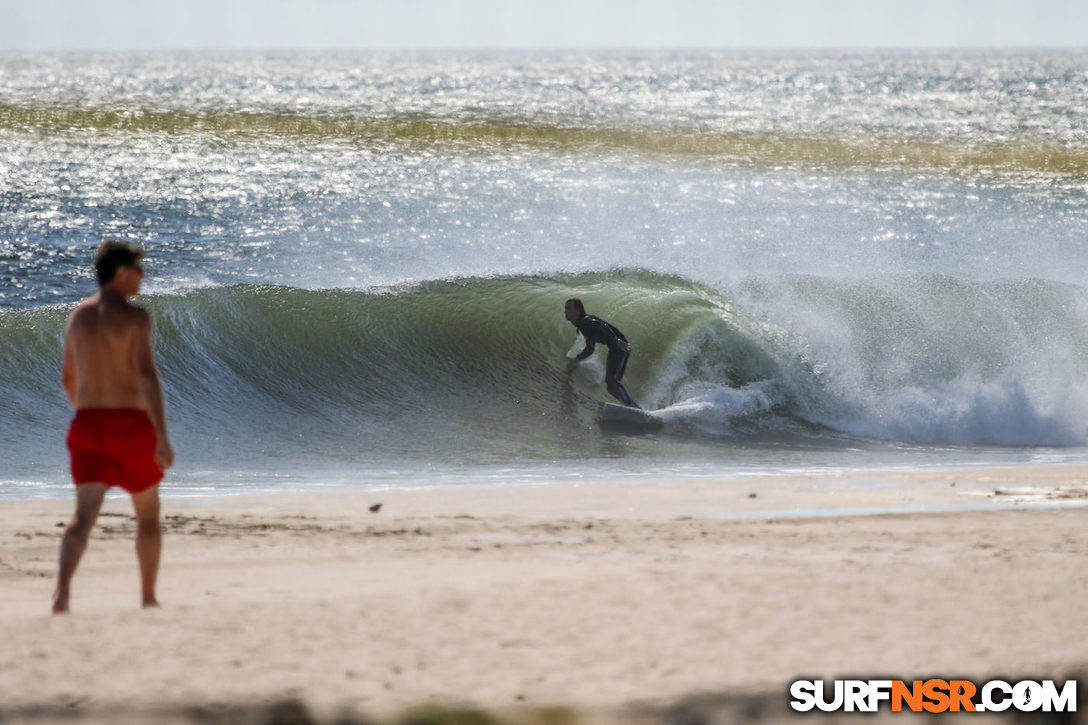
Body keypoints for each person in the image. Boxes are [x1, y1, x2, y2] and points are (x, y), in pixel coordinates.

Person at [53, 240, 174, 614]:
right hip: (130, 424)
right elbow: (146, 376)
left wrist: (88, 415)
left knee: (83, 516)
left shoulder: (78, 316)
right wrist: (162, 436)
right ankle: (148, 597)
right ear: (122, 274)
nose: (143, 277)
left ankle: (62, 594)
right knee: (149, 514)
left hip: (87, 424)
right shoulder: (136, 318)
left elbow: (68, 379)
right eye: (139, 270)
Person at [564, 297, 639, 408]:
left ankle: (632, 406)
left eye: (568, 308)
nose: (565, 311)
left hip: (618, 346)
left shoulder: (586, 321)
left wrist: (616, 341)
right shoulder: (582, 325)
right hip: (621, 345)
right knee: (612, 386)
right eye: (565, 308)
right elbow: (590, 348)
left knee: (611, 382)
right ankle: (630, 407)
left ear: (578, 310)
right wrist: (577, 359)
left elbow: (602, 326)